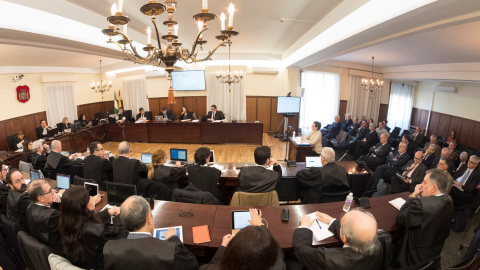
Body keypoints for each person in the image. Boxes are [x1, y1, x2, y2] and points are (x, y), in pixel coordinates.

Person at [103, 196, 198, 270]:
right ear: (149, 218)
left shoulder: (108, 248)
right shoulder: (172, 250)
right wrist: (173, 238)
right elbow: (192, 265)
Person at [392, 169, 454, 268]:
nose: (421, 185)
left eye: (424, 182)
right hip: (433, 255)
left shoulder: (420, 204)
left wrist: (413, 196)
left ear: (434, 187)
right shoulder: (449, 200)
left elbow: (400, 218)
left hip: (411, 256)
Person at [59, 186, 125, 269]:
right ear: (83, 206)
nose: (92, 199)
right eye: (89, 198)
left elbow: (87, 222)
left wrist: (108, 212)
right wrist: (119, 216)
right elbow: (119, 237)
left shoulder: (66, 222)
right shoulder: (99, 232)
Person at [294, 209, 383, 269]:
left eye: (341, 225)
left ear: (344, 238)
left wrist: (304, 227)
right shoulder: (378, 243)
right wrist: (331, 221)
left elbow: (300, 250)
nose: (339, 224)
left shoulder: (327, 258)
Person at [201, 208, 285, 270]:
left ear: (231, 253)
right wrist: (260, 226)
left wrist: (223, 246)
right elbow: (278, 250)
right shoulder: (278, 266)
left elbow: (212, 265)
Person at [26, 179, 63, 253]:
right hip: (57, 250)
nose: (54, 192)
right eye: (50, 191)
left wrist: (57, 198)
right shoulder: (53, 216)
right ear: (40, 198)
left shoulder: (30, 206)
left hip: (42, 243)